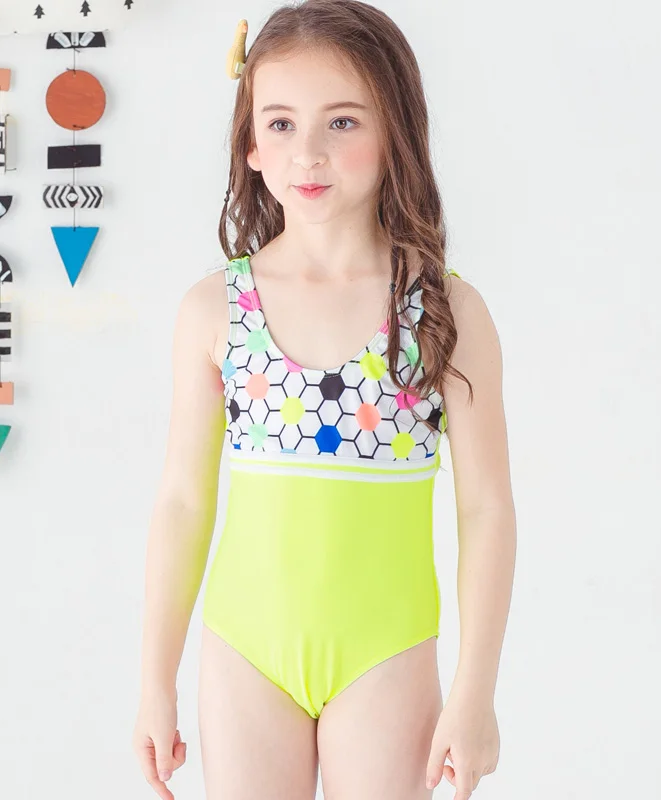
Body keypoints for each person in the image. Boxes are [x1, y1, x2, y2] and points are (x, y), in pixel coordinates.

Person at [131, 1, 516, 798]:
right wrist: (153, 681)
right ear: (250, 142)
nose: (307, 153)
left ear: (394, 131)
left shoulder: (444, 310)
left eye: (342, 122)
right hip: (244, 652)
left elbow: (485, 508)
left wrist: (476, 691)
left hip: (387, 655)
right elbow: (181, 501)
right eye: (280, 124)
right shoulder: (214, 310)